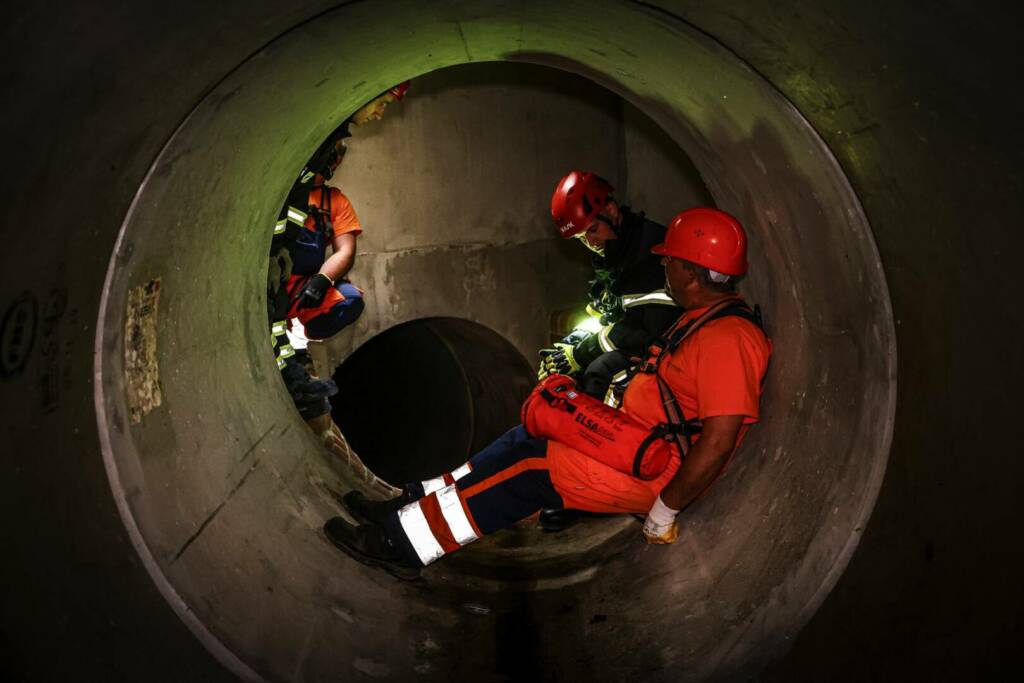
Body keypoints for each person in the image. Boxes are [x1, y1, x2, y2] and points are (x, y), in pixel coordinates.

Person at [322, 207, 772, 579]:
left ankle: (398, 546)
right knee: (527, 434)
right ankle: (412, 504)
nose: (664, 266)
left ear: (692, 271)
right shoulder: (702, 318)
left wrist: (665, 509)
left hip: (657, 470)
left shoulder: (728, 339)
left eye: (671, 261)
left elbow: (717, 441)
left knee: (533, 468)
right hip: (637, 443)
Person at [267, 82, 409, 421]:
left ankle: (298, 335)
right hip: (277, 279)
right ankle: (282, 356)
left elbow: (346, 250)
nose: (380, 113)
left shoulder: (333, 201)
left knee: (349, 299)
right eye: (384, 102)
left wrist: (321, 280)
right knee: (269, 313)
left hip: (303, 285)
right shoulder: (292, 188)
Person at [540, 171, 682, 404]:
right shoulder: (618, 251)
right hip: (638, 342)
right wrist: (573, 343)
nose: (591, 243)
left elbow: (645, 331)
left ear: (612, 211)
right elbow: (610, 313)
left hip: (664, 354)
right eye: (582, 239)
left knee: (598, 372)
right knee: (568, 360)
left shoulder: (649, 254)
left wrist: (579, 353)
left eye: (593, 230)